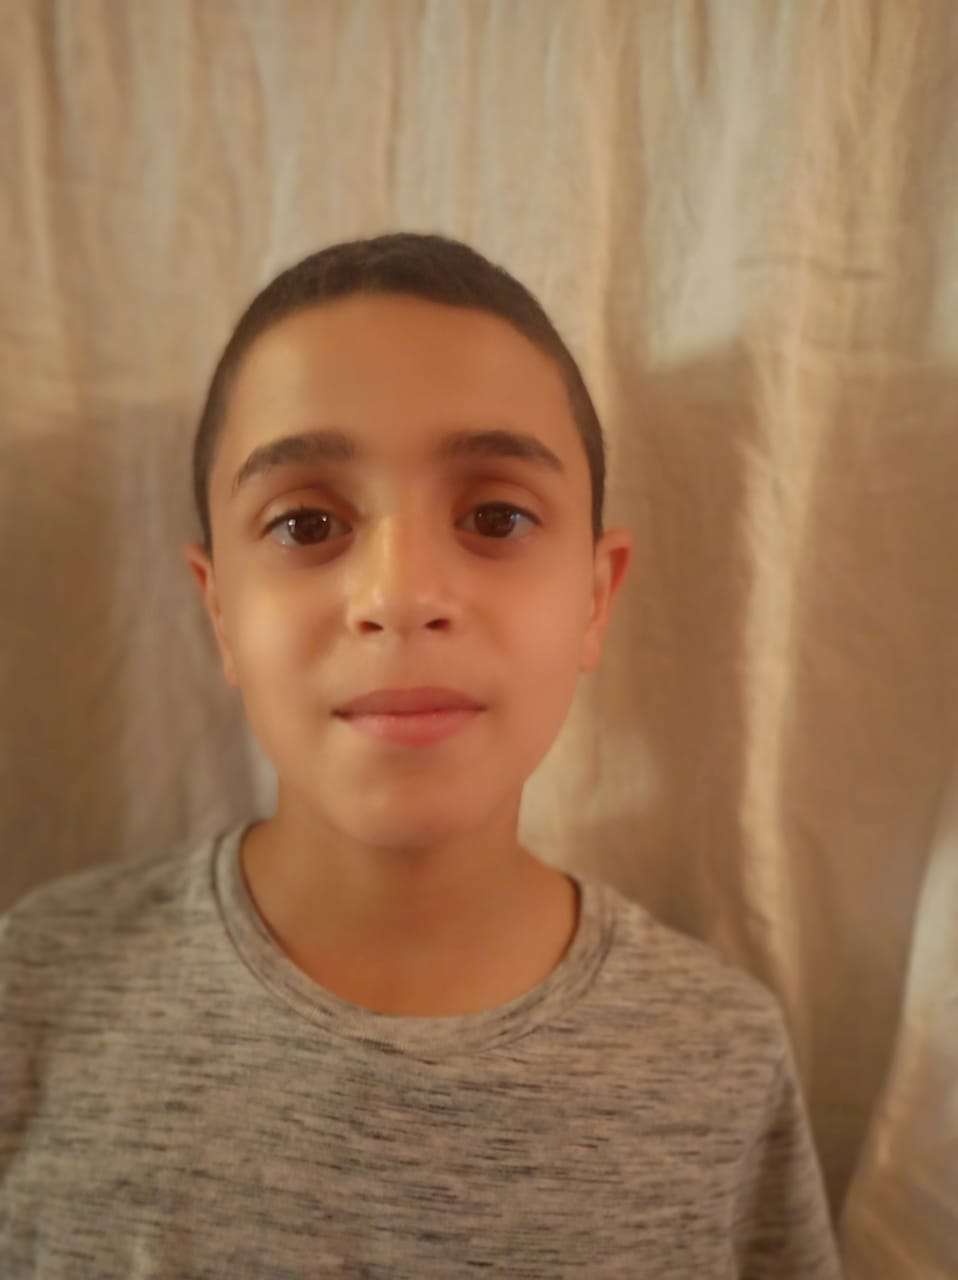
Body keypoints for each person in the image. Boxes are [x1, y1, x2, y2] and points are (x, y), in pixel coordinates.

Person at [0, 232, 843, 1277]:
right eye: (305, 523)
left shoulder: (718, 1056)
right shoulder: (35, 990)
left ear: (594, 597)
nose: (399, 595)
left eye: (496, 515)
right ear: (219, 610)